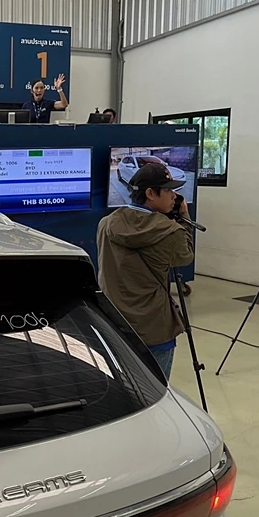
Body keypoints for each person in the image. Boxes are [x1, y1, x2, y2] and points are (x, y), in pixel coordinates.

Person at [95, 163, 195, 380]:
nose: (174, 196)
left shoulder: (106, 224)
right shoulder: (171, 231)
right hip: (154, 329)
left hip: (113, 325)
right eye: (168, 190)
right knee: (156, 391)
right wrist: (184, 217)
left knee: (122, 388)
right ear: (150, 193)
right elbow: (185, 256)